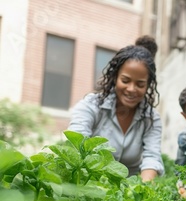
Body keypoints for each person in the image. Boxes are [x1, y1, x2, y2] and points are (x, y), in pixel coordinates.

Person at [68, 38, 164, 181]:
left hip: (127, 189)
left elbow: (152, 157)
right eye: (125, 81)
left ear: (148, 85)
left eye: (140, 84)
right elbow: (77, 141)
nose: (131, 89)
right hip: (89, 183)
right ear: (115, 78)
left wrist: (142, 189)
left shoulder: (151, 119)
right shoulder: (91, 105)